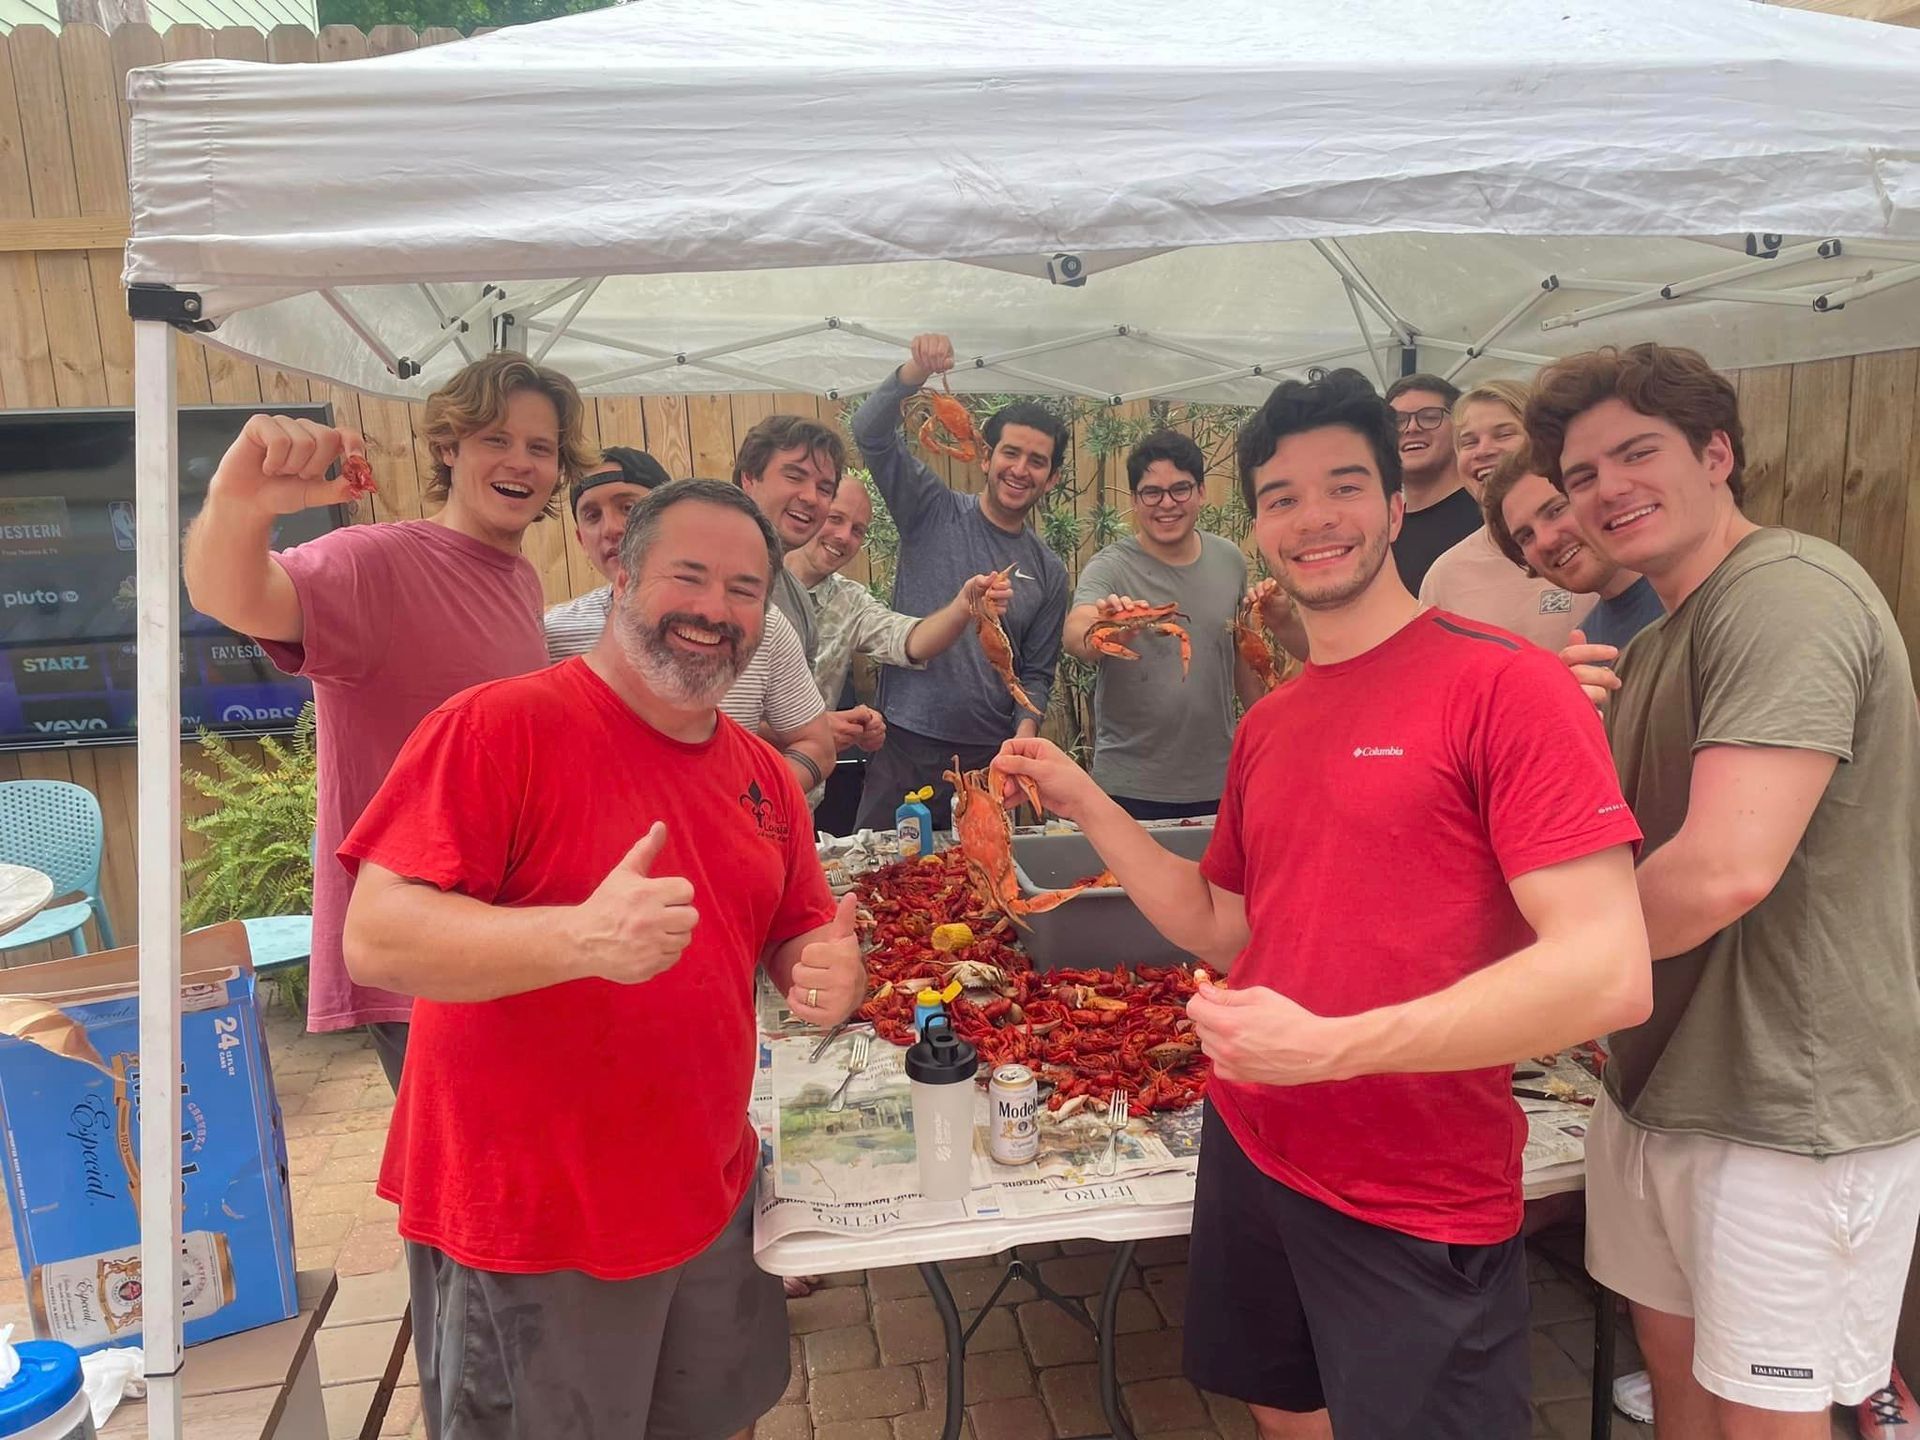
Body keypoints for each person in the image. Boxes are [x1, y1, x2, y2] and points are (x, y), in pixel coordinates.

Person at [997, 369, 1650, 1440]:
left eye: (1345, 485)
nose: (1316, 519)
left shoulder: (1507, 687)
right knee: (1285, 1406)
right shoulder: (1273, 724)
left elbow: (1606, 970)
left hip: (1414, 1185)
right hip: (1254, 1145)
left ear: (1397, 506)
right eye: (1284, 496)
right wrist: (1088, 803)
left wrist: (1335, 1048)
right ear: (1257, 526)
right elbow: (1224, 926)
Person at [340, 480, 863, 1440]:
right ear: (622, 572)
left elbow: (797, 929)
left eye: (745, 590)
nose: (715, 611)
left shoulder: (761, 777)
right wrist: (577, 937)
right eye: (689, 577)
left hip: (706, 1194)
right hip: (537, 1224)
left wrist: (822, 966)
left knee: (719, 1421)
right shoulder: (498, 728)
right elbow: (376, 934)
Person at [1524, 342, 1920, 1440]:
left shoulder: (1786, 594)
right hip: (1663, 1089)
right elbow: (1598, 855)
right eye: (1581, 478)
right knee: (1680, 1391)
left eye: (1635, 453)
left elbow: (1721, 871)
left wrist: (1513, 984)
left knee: (1768, 1421)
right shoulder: (1656, 648)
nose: (1607, 491)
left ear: (1717, 453)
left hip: (1786, 1110)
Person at [183, 351, 595, 1088]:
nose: (521, 462)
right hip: (421, 964)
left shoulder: (516, 577)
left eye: (541, 447)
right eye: (495, 438)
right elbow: (231, 594)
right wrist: (241, 502)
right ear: (448, 447)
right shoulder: (375, 563)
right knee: (471, 1192)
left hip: (505, 942)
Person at [851, 333, 1071, 830]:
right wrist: (915, 372)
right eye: (1010, 453)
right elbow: (870, 432)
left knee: (980, 893)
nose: (1020, 469)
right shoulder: (930, 510)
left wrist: (1024, 735)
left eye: (1037, 461)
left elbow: (1036, 672)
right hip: (905, 745)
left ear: (1052, 477)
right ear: (986, 456)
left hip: (986, 757)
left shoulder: (1050, 570)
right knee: (882, 884)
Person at [544, 452, 836, 798]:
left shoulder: (759, 626)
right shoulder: (554, 635)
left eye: (629, 508)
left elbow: (815, 743)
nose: (611, 528)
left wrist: (746, 804)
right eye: (592, 515)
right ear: (579, 538)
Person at [1062, 430, 1254, 819]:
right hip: (1129, 786)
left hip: (1217, 781)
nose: (1167, 504)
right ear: (1134, 500)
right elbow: (1074, 631)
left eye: (1180, 489)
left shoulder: (1230, 560)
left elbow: (1240, 657)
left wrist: (1272, 732)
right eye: (1152, 492)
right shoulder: (1111, 566)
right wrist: (1105, 627)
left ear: (1201, 492)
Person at [784, 472, 1012, 754]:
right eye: (835, 518)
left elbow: (910, 640)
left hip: (801, 791)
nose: (843, 536)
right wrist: (813, 728)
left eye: (858, 530)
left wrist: (964, 605)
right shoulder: (750, 586)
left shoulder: (849, 601)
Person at [1417, 380, 1591, 648]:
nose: (1483, 450)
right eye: (1468, 442)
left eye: (1503, 434)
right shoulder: (1445, 576)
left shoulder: (1591, 538)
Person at [734, 412, 847, 662]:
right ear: (749, 477)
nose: (810, 497)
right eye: (795, 477)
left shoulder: (798, 599)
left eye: (825, 489)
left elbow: (792, 702)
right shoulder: (700, 578)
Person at [1384, 372, 1480, 592]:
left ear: (1458, 427)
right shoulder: (1382, 528)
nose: (1411, 428)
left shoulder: (1489, 517)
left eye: (1429, 417)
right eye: (1397, 421)